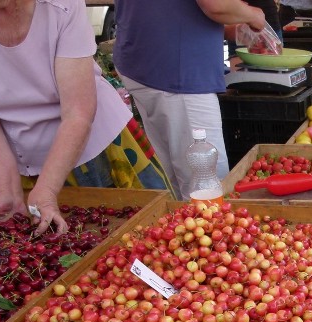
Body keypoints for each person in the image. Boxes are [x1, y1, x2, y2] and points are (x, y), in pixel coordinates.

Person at [0, 0, 170, 235]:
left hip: (91, 148)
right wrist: (7, 190)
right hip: (8, 159)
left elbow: (77, 112)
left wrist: (47, 189)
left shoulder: (62, 4)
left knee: (138, 238)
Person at [114, 0, 266, 200]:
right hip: (177, 72)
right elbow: (215, 5)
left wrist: (235, 28)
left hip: (147, 63)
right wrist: (254, 14)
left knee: (176, 178)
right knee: (206, 187)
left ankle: (181, 224)